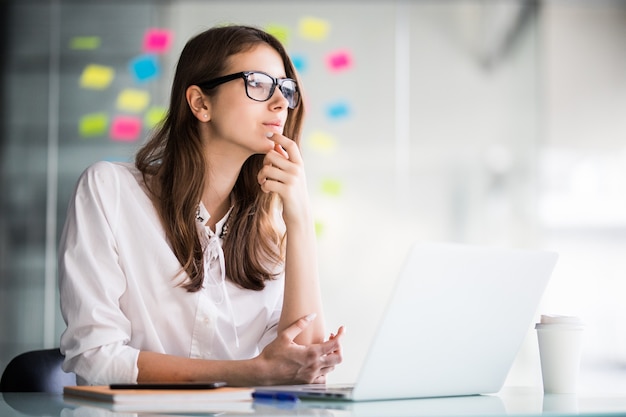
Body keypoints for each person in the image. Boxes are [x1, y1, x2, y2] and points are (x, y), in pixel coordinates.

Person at [58, 24, 344, 386]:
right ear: (200, 103)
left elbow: (304, 366)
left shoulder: (271, 230)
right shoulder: (109, 190)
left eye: (285, 89)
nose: (279, 103)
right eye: (257, 83)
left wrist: (300, 219)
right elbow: (94, 357)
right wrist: (250, 372)